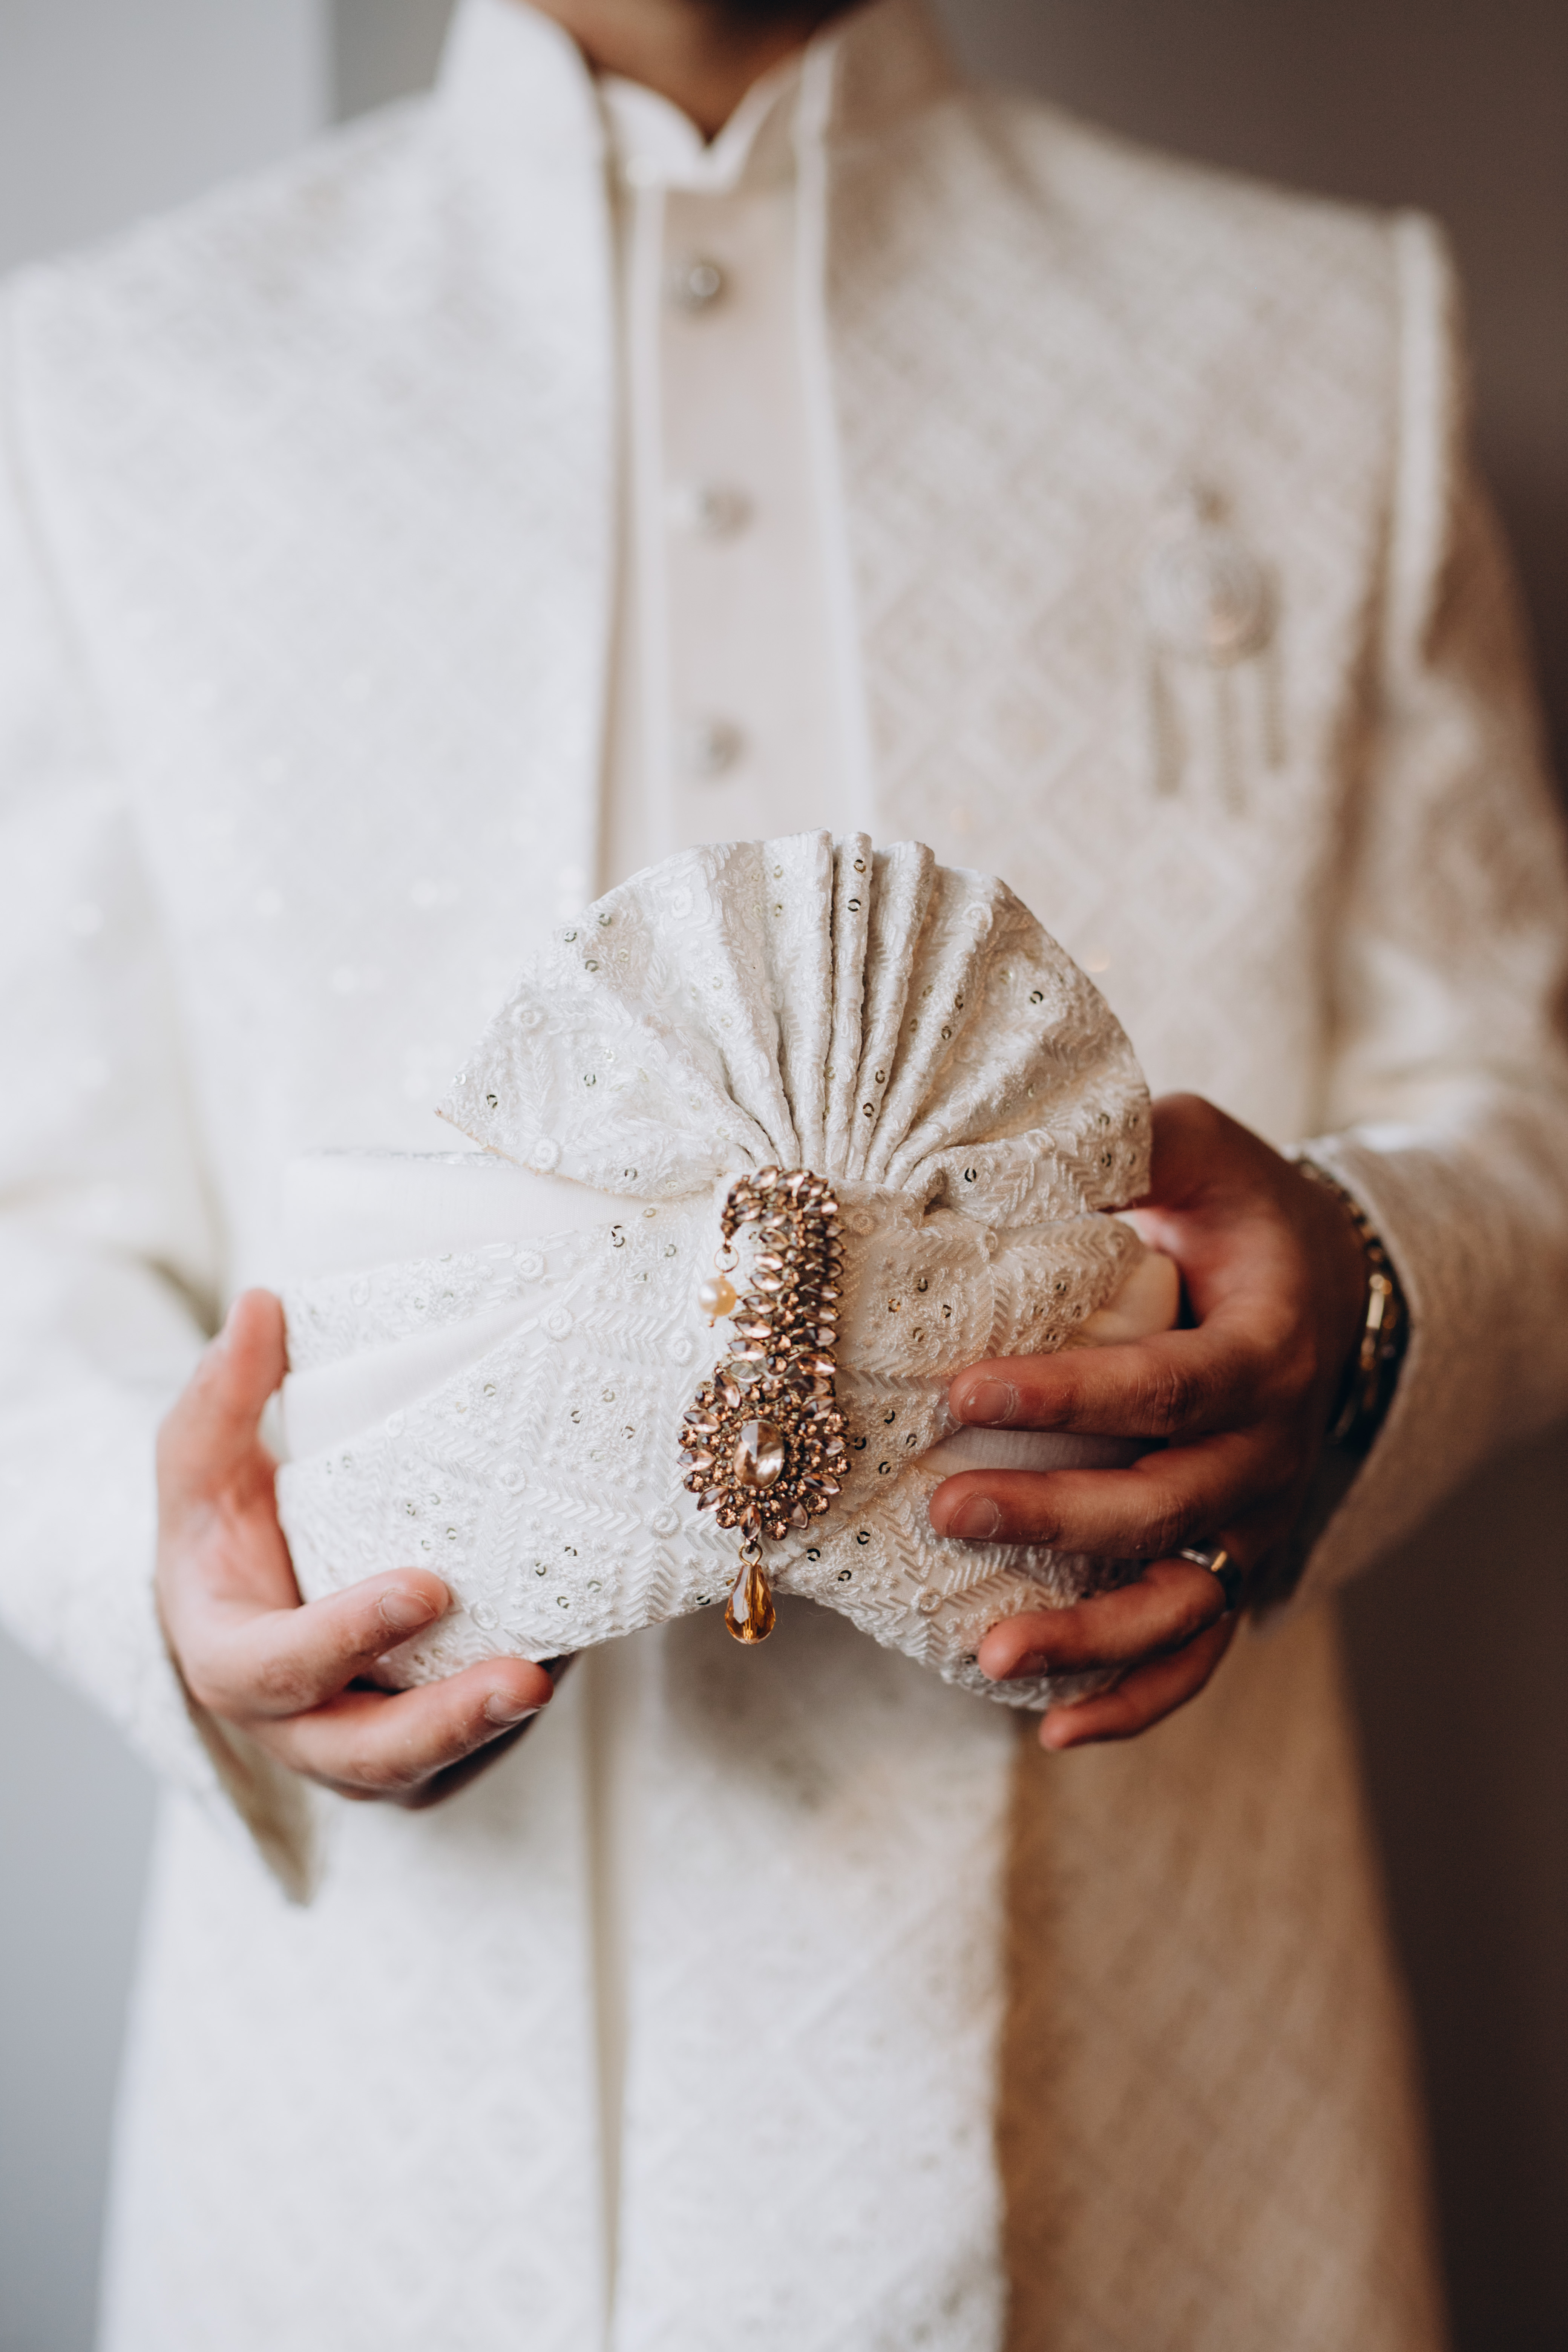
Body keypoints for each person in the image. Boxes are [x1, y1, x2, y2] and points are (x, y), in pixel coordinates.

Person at [3, 0, 1566, 2343]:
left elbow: (1518, 1099)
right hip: (388, 2141)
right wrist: (159, 1569)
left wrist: (1369, 1299)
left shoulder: (1328, 337)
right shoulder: (110, 380)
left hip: (1168, 2076)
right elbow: (28, 1208)